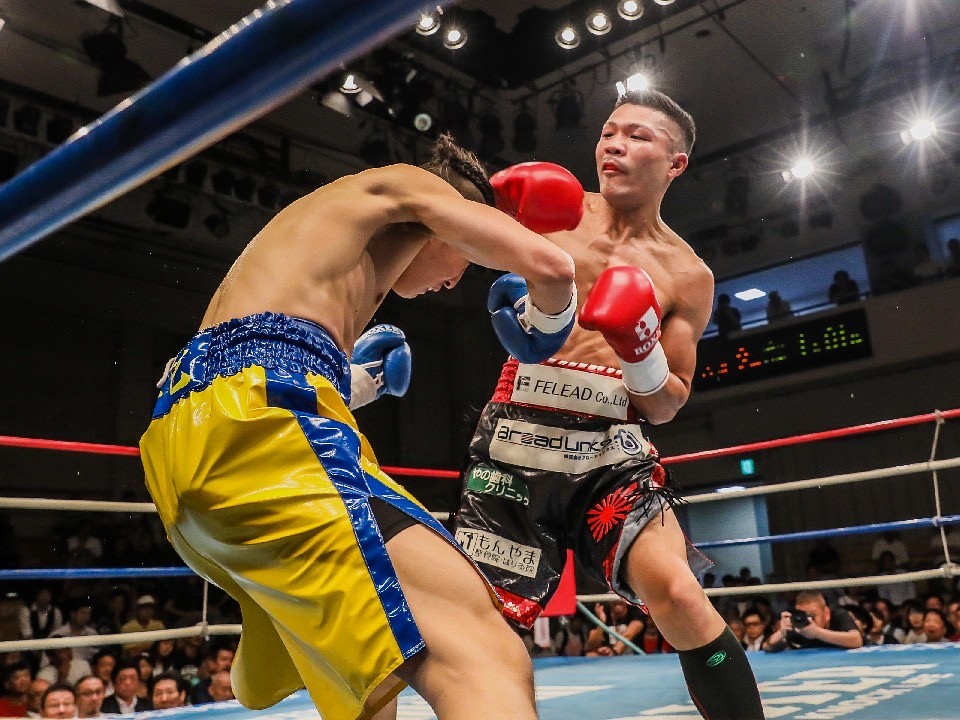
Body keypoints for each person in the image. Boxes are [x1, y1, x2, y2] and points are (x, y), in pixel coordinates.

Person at [139, 134, 578, 720]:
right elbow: (549, 265)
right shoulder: (408, 182)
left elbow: (242, 359)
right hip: (263, 433)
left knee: (373, 680)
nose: (456, 281)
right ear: (451, 220)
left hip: (187, 444)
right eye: (465, 261)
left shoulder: (319, 239)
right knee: (484, 654)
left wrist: (360, 382)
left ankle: (281, 629)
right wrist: (553, 307)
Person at [454, 89, 765, 719]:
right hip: (515, 446)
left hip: (609, 453)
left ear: (675, 163)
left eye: (637, 136)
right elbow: (446, 250)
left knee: (680, 594)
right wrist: (484, 210)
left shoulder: (688, 274)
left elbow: (667, 403)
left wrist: (640, 349)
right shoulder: (552, 210)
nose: (614, 145)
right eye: (608, 133)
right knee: (484, 628)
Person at [763, 591, 863, 651]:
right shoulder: (798, 624)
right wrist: (781, 633)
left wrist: (817, 633)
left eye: (812, 616)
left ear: (826, 613)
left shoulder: (839, 615)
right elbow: (767, 647)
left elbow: (856, 640)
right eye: (804, 615)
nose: (809, 620)